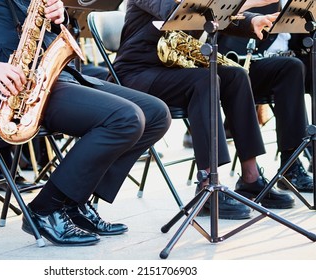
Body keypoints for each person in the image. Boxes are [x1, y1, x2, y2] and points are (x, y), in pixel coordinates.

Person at [0, 0, 171, 246]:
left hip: (48, 76)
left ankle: (74, 202)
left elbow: (29, 26)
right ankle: (46, 209)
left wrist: (56, 16)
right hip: (8, 93)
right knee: (126, 118)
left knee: (156, 114)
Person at [112, 0, 295, 220]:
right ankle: (209, 184)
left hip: (176, 69)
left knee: (236, 75)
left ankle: (250, 179)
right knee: (205, 80)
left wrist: (251, 20)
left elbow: (211, 15)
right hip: (138, 73)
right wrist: (246, 2)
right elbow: (180, 11)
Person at [217, 1, 313, 192]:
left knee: (299, 65)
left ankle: (301, 159)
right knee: (291, 67)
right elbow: (224, 16)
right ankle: (291, 166)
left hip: (286, 63)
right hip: (245, 62)